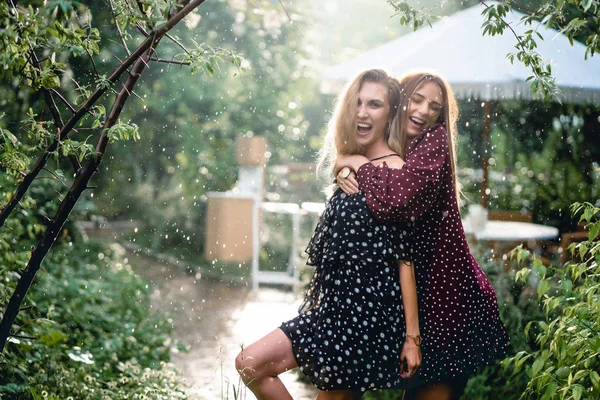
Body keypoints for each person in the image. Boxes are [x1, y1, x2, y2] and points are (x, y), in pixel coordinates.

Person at [235, 69, 422, 400]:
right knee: (249, 362)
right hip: (328, 313)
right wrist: (346, 160)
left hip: (363, 321)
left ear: (390, 112)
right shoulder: (352, 164)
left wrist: (411, 338)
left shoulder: (396, 172)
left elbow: (405, 261)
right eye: (358, 102)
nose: (363, 112)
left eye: (375, 104)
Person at [334, 71, 509, 400]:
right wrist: (342, 163)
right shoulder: (393, 143)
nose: (425, 111)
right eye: (417, 100)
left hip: (449, 297)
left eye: (435, 107)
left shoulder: (434, 140)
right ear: (400, 102)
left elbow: (396, 200)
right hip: (417, 294)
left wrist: (354, 160)